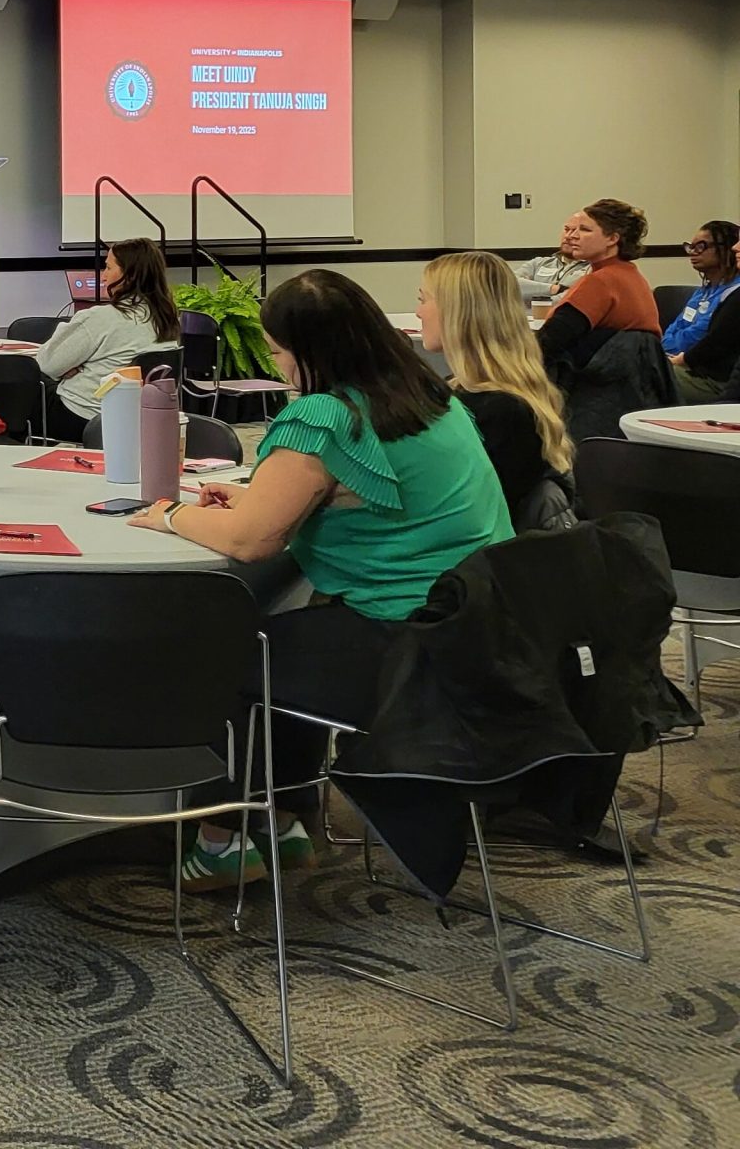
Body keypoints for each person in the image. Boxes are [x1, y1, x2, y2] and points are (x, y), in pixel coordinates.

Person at [129, 270, 511, 888]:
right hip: (476, 626)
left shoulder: (325, 417)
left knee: (221, 651)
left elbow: (252, 540)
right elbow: (357, 494)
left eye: (278, 352)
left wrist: (171, 514)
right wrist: (265, 496)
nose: (276, 366)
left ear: (310, 353)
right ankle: (283, 821)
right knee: (291, 637)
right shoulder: (430, 398)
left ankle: (222, 840)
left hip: (405, 641)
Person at [416, 250, 573, 510]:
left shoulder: (503, 412)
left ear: (459, 312)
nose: (418, 312)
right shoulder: (464, 391)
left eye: (423, 300)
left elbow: (465, 509)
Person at [35, 237, 181, 439]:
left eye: (108, 268)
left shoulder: (100, 318)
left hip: (83, 417)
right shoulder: (167, 320)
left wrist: (71, 366)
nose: (103, 276)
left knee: (23, 382)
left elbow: (47, 363)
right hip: (136, 420)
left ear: (129, 275)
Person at [537, 199, 661, 383]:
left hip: (590, 387)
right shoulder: (631, 276)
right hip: (629, 387)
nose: (573, 236)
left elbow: (548, 343)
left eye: (585, 230)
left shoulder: (601, 282)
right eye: (571, 229)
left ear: (612, 238)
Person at [664, 219, 740, 402]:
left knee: (644, 378)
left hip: (711, 376)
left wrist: (674, 358)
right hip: (684, 361)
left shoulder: (734, 293)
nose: (692, 253)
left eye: (701, 246)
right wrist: (664, 351)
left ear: (725, 248)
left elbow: (704, 337)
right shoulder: (703, 291)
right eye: (691, 246)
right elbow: (676, 326)